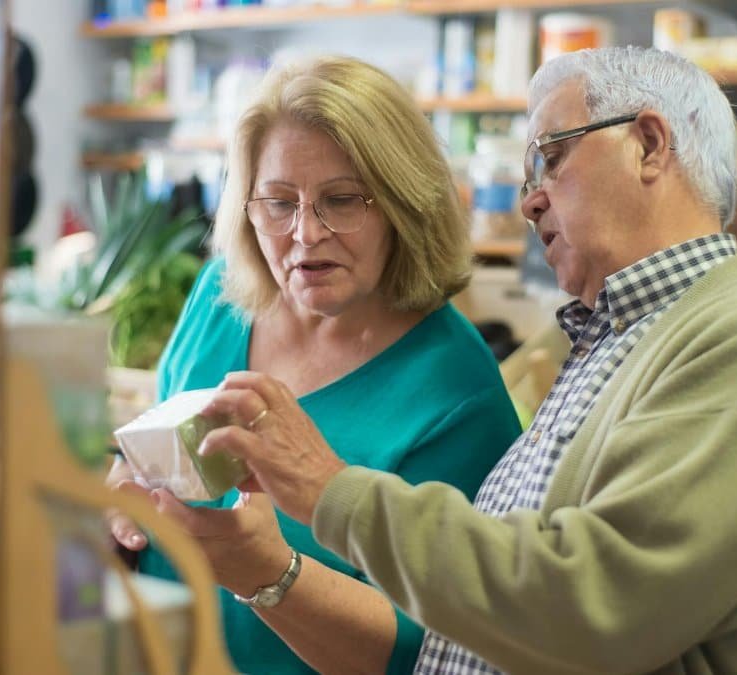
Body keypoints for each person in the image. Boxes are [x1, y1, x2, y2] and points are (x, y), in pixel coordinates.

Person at [197, 46, 737, 674]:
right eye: (279, 202)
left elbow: (595, 603)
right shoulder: (627, 336)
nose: (529, 199)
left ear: (648, 144)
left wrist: (330, 491)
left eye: (552, 158)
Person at [105, 56, 522, 675]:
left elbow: (435, 653)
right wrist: (122, 491)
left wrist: (271, 576)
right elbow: (152, 446)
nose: (305, 233)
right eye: (278, 202)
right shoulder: (221, 297)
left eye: (341, 200)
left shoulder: (458, 397)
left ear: (405, 205)